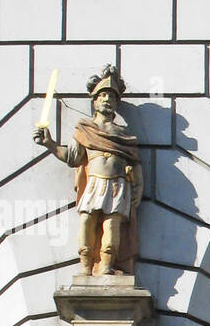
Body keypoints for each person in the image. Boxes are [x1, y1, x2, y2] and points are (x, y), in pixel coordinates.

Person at [34, 65, 142, 277]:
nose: (107, 100)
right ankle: (86, 265)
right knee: (87, 221)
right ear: (95, 101)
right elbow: (73, 158)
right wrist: (50, 144)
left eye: (111, 97)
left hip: (117, 185)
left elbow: (136, 164)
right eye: (103, 95)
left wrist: (137, 185)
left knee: (112, 227)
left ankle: (107, 266)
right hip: (94, 183)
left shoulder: (124, 135)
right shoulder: (85, 129)